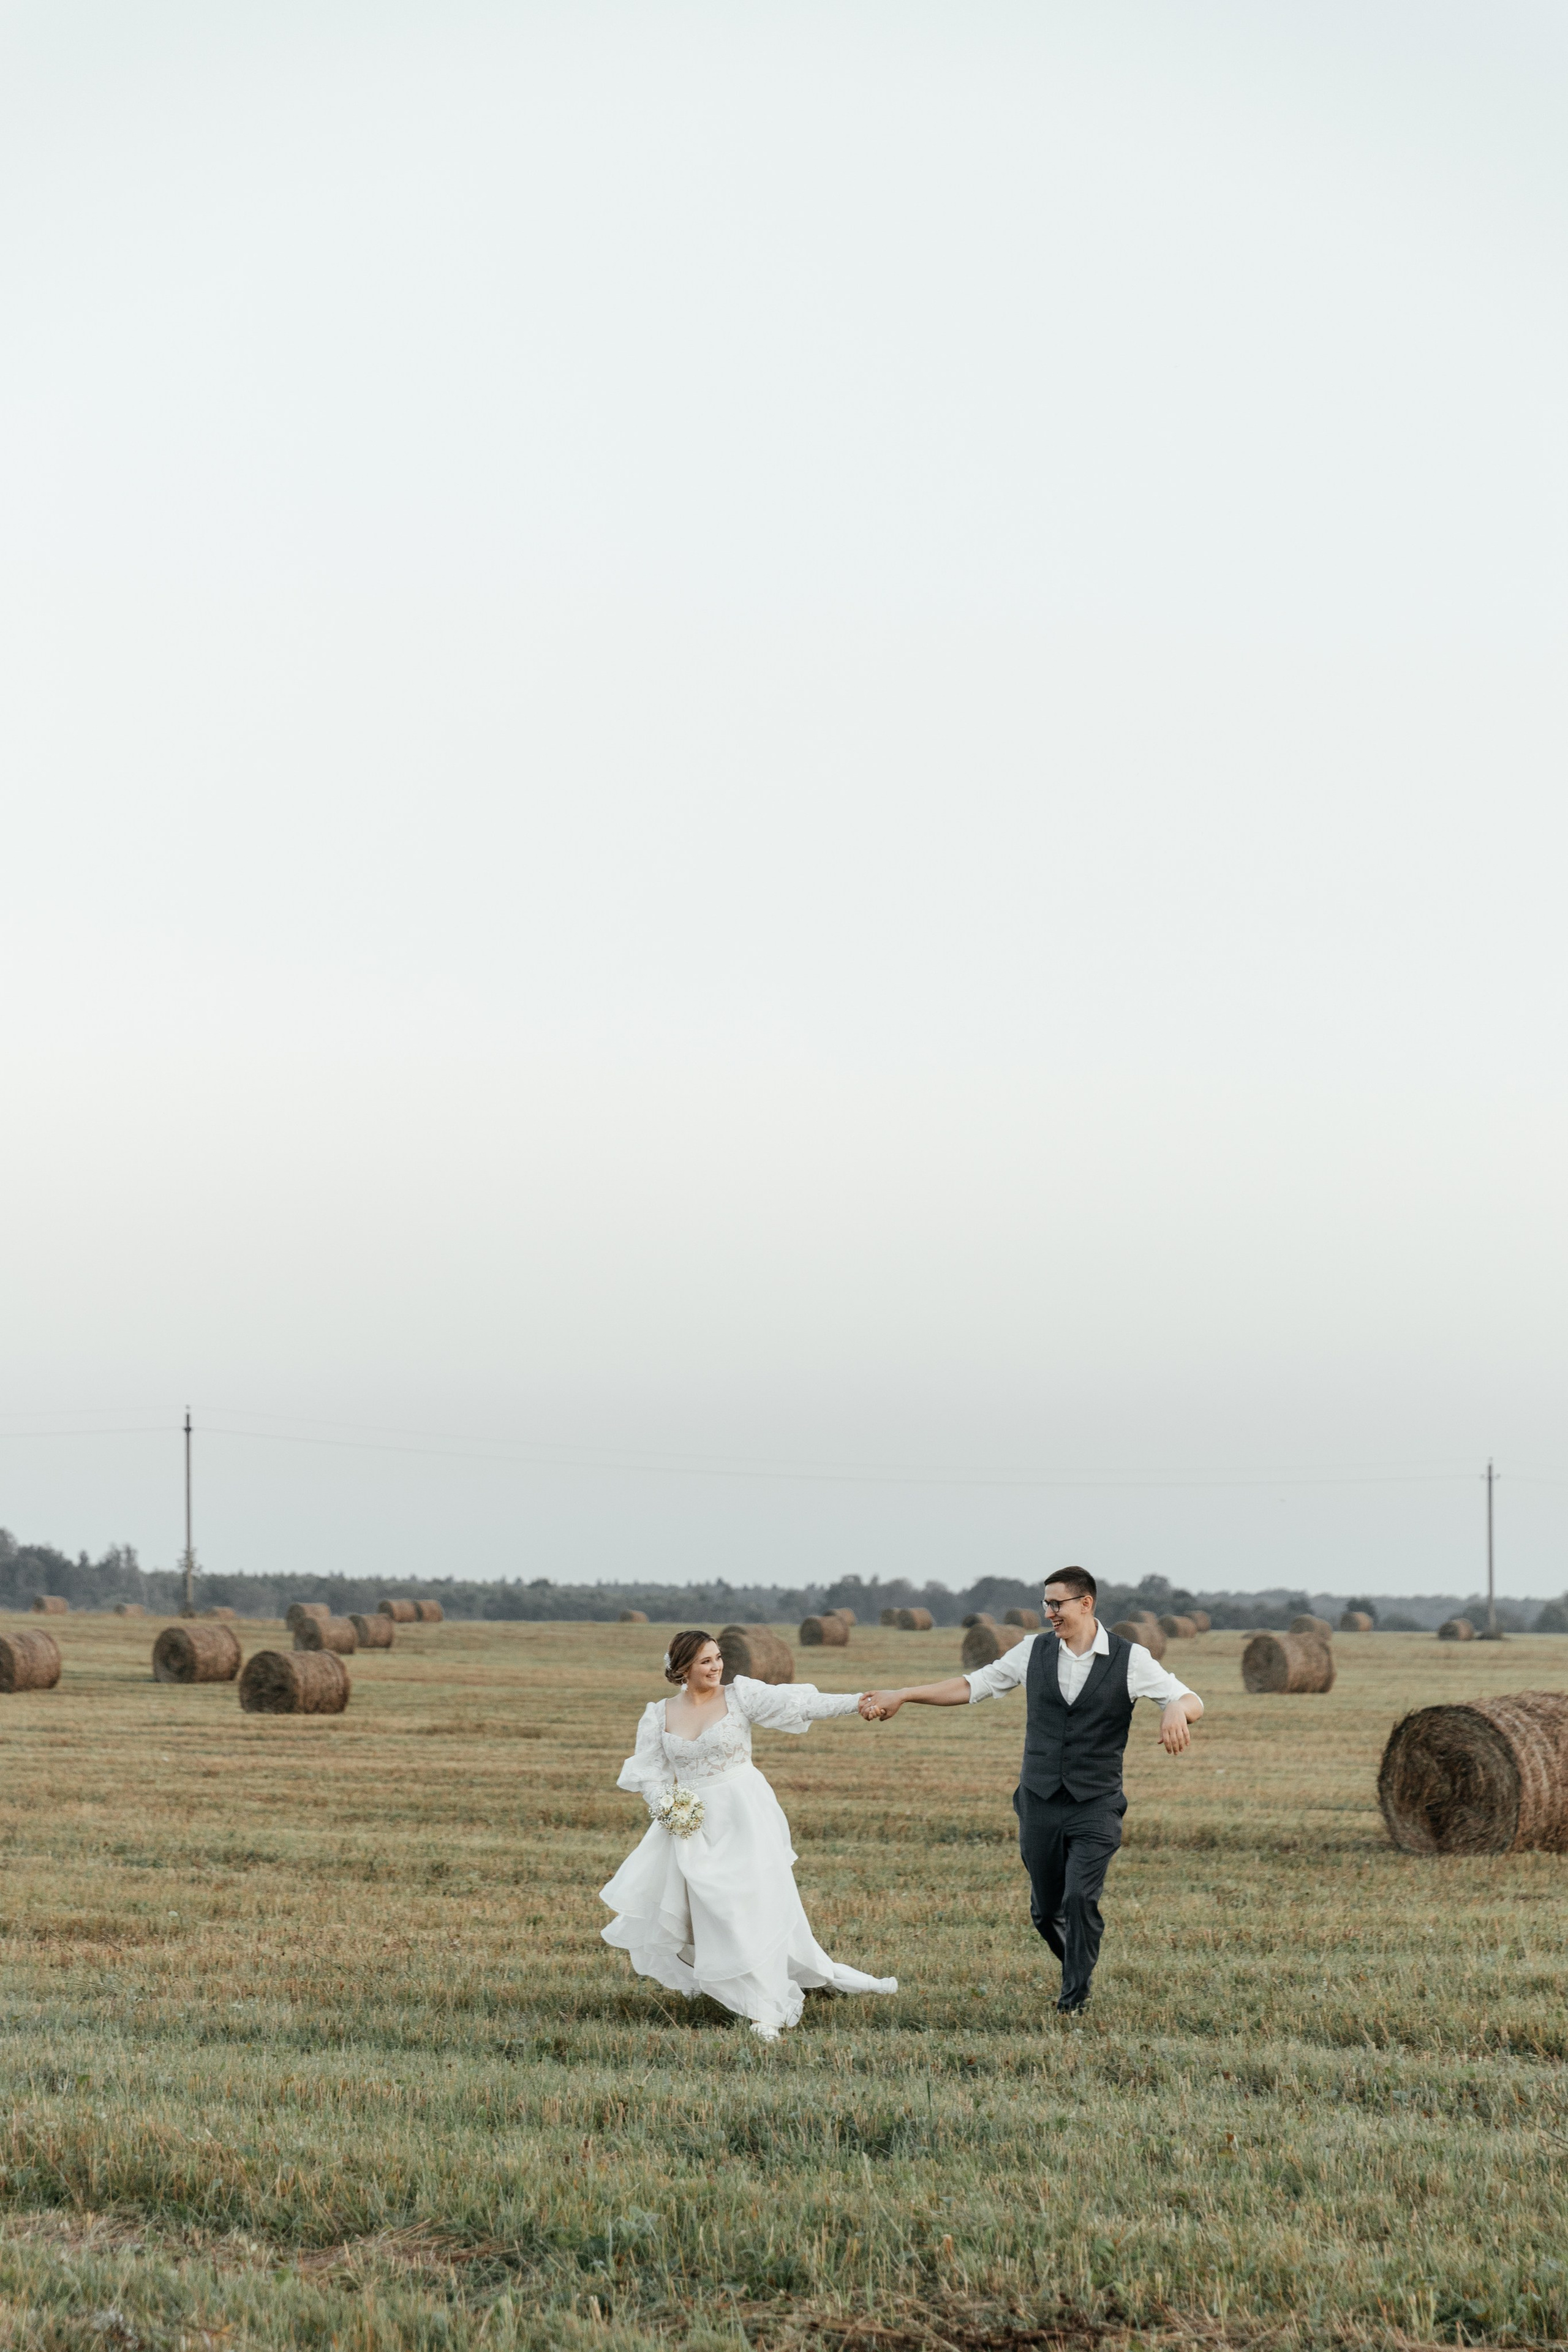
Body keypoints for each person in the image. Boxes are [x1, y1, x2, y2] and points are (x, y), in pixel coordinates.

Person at [861, 1567, 1202, 2012]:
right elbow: (972, 1685)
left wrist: (1176, 1707)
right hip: (1039, 1800)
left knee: (1080, 1897)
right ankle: (1078, 1969)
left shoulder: (1131, 1659)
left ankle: (1074, 2001)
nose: (1048, 1613)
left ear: (1086, 1604)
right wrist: (903, 1694)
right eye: (1045, 1603)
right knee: (1045, 1913)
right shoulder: (1033, 1651)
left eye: (1056, 1604)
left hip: (1095, 1802)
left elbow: (1193, 1700)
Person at [601, 1629, 898, 2040]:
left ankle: (766, 2009)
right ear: (683, 1667)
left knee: (756, 1907)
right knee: (714, 1911)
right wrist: (667, 1807)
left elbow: (801, 1702)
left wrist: (857, 1702)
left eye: (719, 1657)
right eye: (706, 1661)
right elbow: (649, 1772)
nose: (717, 1666)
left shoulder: (740, 1696)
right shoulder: (659, 1714)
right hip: (692, 1822)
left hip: (745, 1814)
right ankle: (727, 1981)